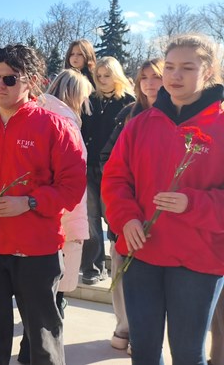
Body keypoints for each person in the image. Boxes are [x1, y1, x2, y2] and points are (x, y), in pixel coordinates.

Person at [0, 44, 86, 365]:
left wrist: (30, 202)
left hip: (35, 251)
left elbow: (72, 187)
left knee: (43, 340)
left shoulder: (56, 127)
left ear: (33, 81)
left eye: (10, 79)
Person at [103, 34, 224, 364]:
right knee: (143, 352)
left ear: (208, 71)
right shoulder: (140, 124)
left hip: (198, 259)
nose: (175, 75)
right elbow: (115, 179)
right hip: (142, 253)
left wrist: (192, 203)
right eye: (169, 67)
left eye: (187, 67)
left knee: (187, 354)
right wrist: (126, 218)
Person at [16, 69, 93, 364]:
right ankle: (40, 354)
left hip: (35, 214)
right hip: (61, 218)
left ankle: (28, 350)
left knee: (36, 294)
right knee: (53, 298)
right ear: (74, 95)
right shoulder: (66, 124)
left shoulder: (33, 116)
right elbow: (72, 184)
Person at [99, 58, 164, 353]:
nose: (149, 83)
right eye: (144, 77)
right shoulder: (129, 113)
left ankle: (144, 334)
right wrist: (122, 192)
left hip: (161, 212)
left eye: (156, 76)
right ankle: (124, 326)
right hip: (126, 207)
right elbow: (107, 158)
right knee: (121, 267)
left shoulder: (179, 116)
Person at [79, 56, 134, 285]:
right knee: (91, 220)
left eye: (107, 75)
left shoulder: (128, 102)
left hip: (113, 169)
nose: (102, 80)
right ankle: (93, 267)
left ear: (116, 75)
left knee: (114, 217)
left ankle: (123, 264)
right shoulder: (90, 100)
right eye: (98, 76)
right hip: (88, 166)